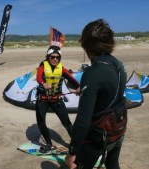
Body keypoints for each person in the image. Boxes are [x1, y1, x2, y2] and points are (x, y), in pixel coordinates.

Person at [65, 19, 127, 169]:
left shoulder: (93, 73)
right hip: (119, 128)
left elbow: (83, 120)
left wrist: (73, 150)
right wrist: (88, 91)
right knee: (112, 164)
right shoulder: (118, 63)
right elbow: (110, 93)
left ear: (85, 44)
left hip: (99, 136)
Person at [36, 45, 80, 153]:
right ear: (48, 57)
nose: (55, 59)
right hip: (43, 100)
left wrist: (80, 88)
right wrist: (43, 83)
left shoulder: (61, 68)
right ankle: (49, 143)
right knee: (41, 122)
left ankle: (75, 144)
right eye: (52, 57)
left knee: (67, 123)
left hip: (56, 100)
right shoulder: (42, 66)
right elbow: (38, 77)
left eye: (57, 57)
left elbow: (72, 79)